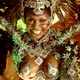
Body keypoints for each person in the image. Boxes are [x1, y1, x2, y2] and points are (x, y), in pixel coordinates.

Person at [0, 0, 80, 80]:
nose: (36, 27)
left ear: (51, 18)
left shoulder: (62, 47)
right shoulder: (14, 45)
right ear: (23, 18)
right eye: (30, 20)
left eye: (42, 21)